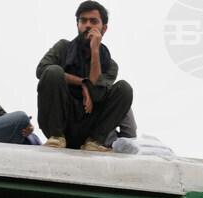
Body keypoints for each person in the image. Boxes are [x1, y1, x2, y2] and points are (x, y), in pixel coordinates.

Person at [36, 1, 132, 152]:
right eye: (83, 20)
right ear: (77, 24)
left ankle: (93, 142)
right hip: (60, 120)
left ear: (104, 27)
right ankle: (56, 137)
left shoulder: (109, 64)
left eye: (93, 21)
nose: (87, 25)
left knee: (124, 89)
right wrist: (83, 83)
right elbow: (41, 70)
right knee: (54, 71)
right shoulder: (63, 47)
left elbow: (97, 94)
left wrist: (95, 51)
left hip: (89, 125)